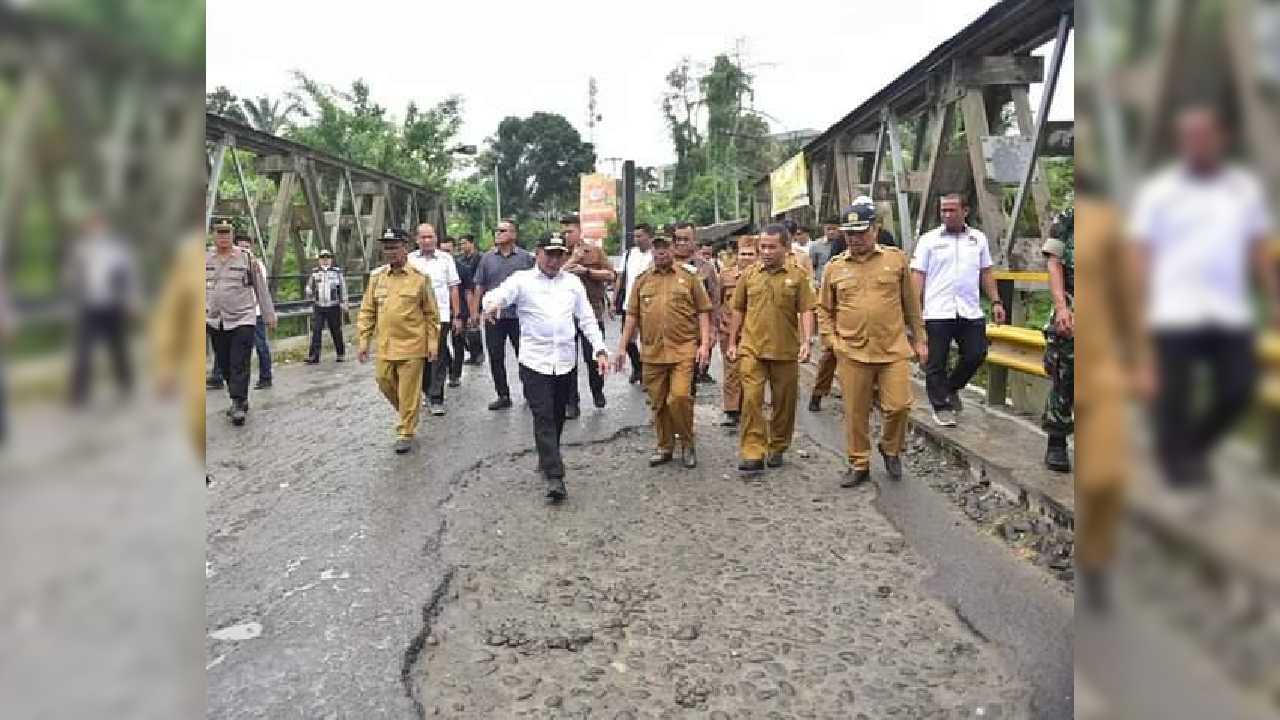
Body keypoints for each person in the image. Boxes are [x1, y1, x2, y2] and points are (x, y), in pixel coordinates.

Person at [1129, 105, 1278, 489]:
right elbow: (1141, 255)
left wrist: (1274, 300)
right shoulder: (1160, 192)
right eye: (1190, 137)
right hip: (1173, 311)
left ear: (1221, 140)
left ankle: (1194, 447)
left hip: (1229, 312)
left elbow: (1258, 248)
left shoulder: (1243, 189)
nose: (1198, 143)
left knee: (1239, 388)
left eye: (1205, 136)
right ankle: (1175, 466)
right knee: (1173, 396)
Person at [482, 234, 611, 502]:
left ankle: (546, 454)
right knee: (543, 416)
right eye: (549, 254)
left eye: (559, 255)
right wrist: (492, 305)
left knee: (557, 414)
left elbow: (586, 319)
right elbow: (498, 294)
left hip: (564, 362)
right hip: (534, 362)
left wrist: (599, 349)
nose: (554, 260)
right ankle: (555, 476)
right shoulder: (522, 280)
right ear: (538, 253)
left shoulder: (572, 283)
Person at [817, 203, 926, 487]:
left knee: (899, 406)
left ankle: (890, 447)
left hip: (892, 348)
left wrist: (920, 339)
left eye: (861, 232)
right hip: (852, 350)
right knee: (856, 411)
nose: (855, 239)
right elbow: (824, 310)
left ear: (875, 230)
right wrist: (832, 341)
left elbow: (911, 305)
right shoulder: (834, 267)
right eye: (849, 234)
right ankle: (859, 463)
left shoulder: (895, 260)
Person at [615, 234, 713, 468]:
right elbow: (632, 315)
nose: (660, 252)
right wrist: (621, 347)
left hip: (683, 349)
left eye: (665, 247)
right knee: (658, 402)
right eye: (656, 248)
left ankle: (687, 443)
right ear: (652, 251)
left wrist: (704, 344)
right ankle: (664, 446)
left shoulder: (689, 277)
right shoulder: (642, 280)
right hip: (652, 351)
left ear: (673, 249)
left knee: (679, 397)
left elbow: (703, 310)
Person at [910, 193, 1006, 427]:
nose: (946, 215)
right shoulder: (929, 240)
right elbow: (918, 275)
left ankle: (950, 388)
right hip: (938, 310)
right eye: (943, 210)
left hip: (969, 309)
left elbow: (986, 272)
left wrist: (996, 301)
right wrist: (914, 311)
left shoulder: (978, 239)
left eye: (952, 210)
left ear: (965, 211)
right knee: (936, 361)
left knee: (976, 353)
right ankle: (941, 407)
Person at [727, 224, 815, 472]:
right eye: (762, 247)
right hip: (752, 348)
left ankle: (777, 445)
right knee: (751, 399)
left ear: (785, 248)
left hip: (784, 349)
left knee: (784, 402)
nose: (765, 252)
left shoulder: (797, 276)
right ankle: (753, 451)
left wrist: (807, 341)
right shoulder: (749, 275)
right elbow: (738, 309)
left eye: (771, 247)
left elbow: (806, 310)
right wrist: (732, 341)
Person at [356, 228, 440, 454]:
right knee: (383, 381)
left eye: (394, 247)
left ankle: (406, 432)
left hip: (412, 345)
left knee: (408, 390)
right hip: (386, 345)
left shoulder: (419, 279)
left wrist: (433, 343)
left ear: (405, 248)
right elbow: (367, 311)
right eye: (386, 248)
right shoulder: (377, 278)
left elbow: (431, 314)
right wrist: (363, 340)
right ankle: (408, 413)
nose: (390, 252)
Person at [206, 220, 276, 426]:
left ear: (232, 236)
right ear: (213, 236)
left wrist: (269, 315)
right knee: (224, 362)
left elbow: (260, 288)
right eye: (219, 233)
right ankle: (239, 397)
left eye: (227, 233)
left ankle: (238, 403)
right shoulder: (204, 259)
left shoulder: (246, 258)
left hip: (243, 317)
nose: (223, 237)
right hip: (216, 319)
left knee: (239, 360)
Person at [67, 210, 138, 406]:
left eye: (98, 225)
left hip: (112, 305)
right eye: (90, 225)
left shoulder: (116, 248)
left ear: (105, 226)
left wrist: (131, 299)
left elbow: (129, 275)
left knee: (118, 348)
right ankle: (78, 394)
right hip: (89, 306)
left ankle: (126, 384)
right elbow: (71, 274)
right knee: (83, 350)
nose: (94, 229)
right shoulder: (80, 248)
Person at [471, 219, 535, 410]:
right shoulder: (487, 258)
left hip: (519, 317)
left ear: (514, 235)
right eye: (497, 230)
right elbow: (479, 285)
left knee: (525, 356)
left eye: (503, 230)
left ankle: (531, 392)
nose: (498, 233)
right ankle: (503, 395)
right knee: (495, 356)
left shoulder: (526, 258)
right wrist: (475, 311)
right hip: (493, 317)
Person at [560, 213, 617, 415]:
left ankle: (597, 390)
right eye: (563, 232)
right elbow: (553, 277)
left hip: (592, 311)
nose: (566, 235)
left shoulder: (594, 251)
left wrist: (587, 271)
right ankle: (571, 402)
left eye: (570, 231)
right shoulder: (557, 253)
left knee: (593, 356)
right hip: (565, 314)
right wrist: (572, 260)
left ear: (579, 231)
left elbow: (611, 275)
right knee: (568, 361)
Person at [409, 223, 463, 416]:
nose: (427, 240)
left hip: (441, 316)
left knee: (438, 356)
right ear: (417, 240)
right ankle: (427, 390)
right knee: (421, 357)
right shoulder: (410, 260)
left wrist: (457, 316)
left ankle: (437, 397)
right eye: (423, 237)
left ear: (436, 238)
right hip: (416, 317)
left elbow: (453, 288)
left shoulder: (446, 259)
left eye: (430, 236)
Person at [1041, 208, 1075, 472]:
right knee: (1065, 376)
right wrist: (1062, 307)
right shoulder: (1070, 218)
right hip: (1074, 308)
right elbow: (1054, 262)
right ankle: (1057, 440)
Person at [673, 222, 719, 390]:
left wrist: (713, 330)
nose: (681, 243)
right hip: (667, 334)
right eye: (678, 239)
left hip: (694, 333)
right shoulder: (661, 263)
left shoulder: (705, 268)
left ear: (694, 240)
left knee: (687, 383)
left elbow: (714, 301)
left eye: (686, 239)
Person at [718, 236, 758, 427]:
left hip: (754, 332)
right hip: (729, 331)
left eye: (751, 254)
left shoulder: (761, 277)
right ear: (737, 255)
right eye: (743, 254)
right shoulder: (725, 276)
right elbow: (717, 301)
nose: (746, 258)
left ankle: (748, 407)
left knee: (751, 371)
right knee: (732, 370)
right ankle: (732, 410)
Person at [614, 223, 655, 384]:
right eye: (635, 236)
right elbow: (620, 278)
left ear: (649, 236)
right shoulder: (629, 254)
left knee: (647, 339)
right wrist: (614, 300)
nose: (636, 239)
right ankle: (638, 367)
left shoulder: (655, 255)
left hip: (649, 305)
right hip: (629, 304)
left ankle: (649, 373)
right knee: (627, 338)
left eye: (640, 236)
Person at [235, 234, 274, 390]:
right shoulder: (231, 264)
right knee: (234, 347)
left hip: (255, 312)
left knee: (261, 345)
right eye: (241, 247)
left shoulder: (257, 265)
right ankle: (221, 376)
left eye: (247, 247)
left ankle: (266, 377)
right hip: (237, 313)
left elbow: (261, 289)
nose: (244, 250)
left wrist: (267, 312)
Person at [305, 248, 347, 364]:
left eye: (327, 258)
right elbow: (309, 286)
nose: (325, 260)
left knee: (336, 330)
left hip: (333, 305)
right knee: (316, 331)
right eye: (323, 258)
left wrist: (344, 302)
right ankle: (314, 356)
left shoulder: (336, 272)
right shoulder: (315, 272)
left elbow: (342, 288)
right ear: (319, 260)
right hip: (319, 305)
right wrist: (309, 292)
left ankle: (340, 353)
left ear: (331, 259)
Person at [454, 234, 485, 366]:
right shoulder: (460, 259)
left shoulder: (480, 258)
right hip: (464, 293)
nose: (462, 246)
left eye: (464, 243)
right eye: (460, 244)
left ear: (472, 243)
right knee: (467, 327)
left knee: (473, 324)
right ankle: (473, 352)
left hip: (476, 293)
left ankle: (478, 353)